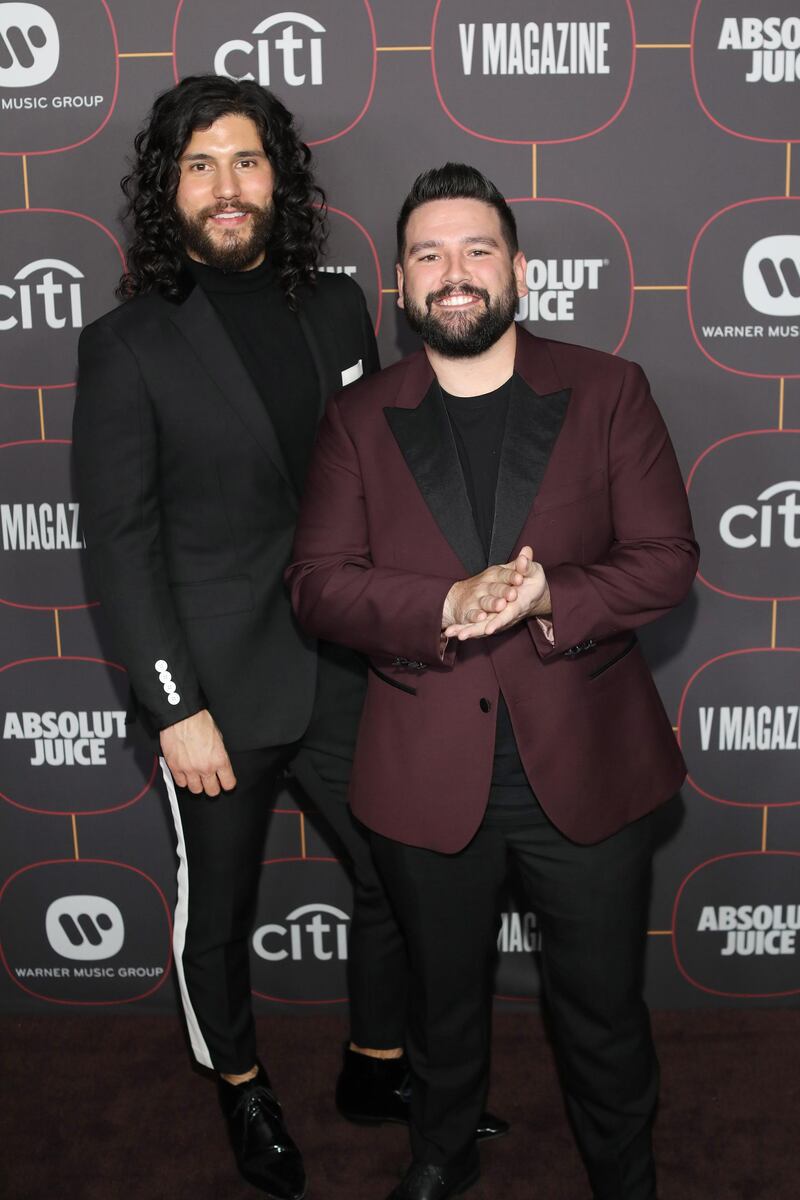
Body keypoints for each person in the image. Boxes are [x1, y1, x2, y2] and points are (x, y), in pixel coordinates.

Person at [73, 80, 504, 1200]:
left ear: (282, 178)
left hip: (345, 665)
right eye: (199, 165)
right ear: (168, 191)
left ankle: (374, 1066)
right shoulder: (125, 346)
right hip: (214, 686)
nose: (227, 186)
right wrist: (173, 707)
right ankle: (242, 1087)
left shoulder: (337, 306)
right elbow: (120, 546)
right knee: (214, 911)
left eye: (247, 161)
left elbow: (375, 482)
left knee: (389, 875)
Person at [287, 163, 699, 1200]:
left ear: (518, 270)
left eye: (475, 250)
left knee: (600, 1008)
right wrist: (440, 605)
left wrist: (547, 592)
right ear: (400, 284)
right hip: (424, 772)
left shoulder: (607, 389)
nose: (453, 273)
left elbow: (663, 556)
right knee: (439, 1004)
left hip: (588, 767)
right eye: (428, 254)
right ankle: (440, 1148)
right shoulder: (357, 420)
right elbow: (318, 589)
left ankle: (623, 1174)